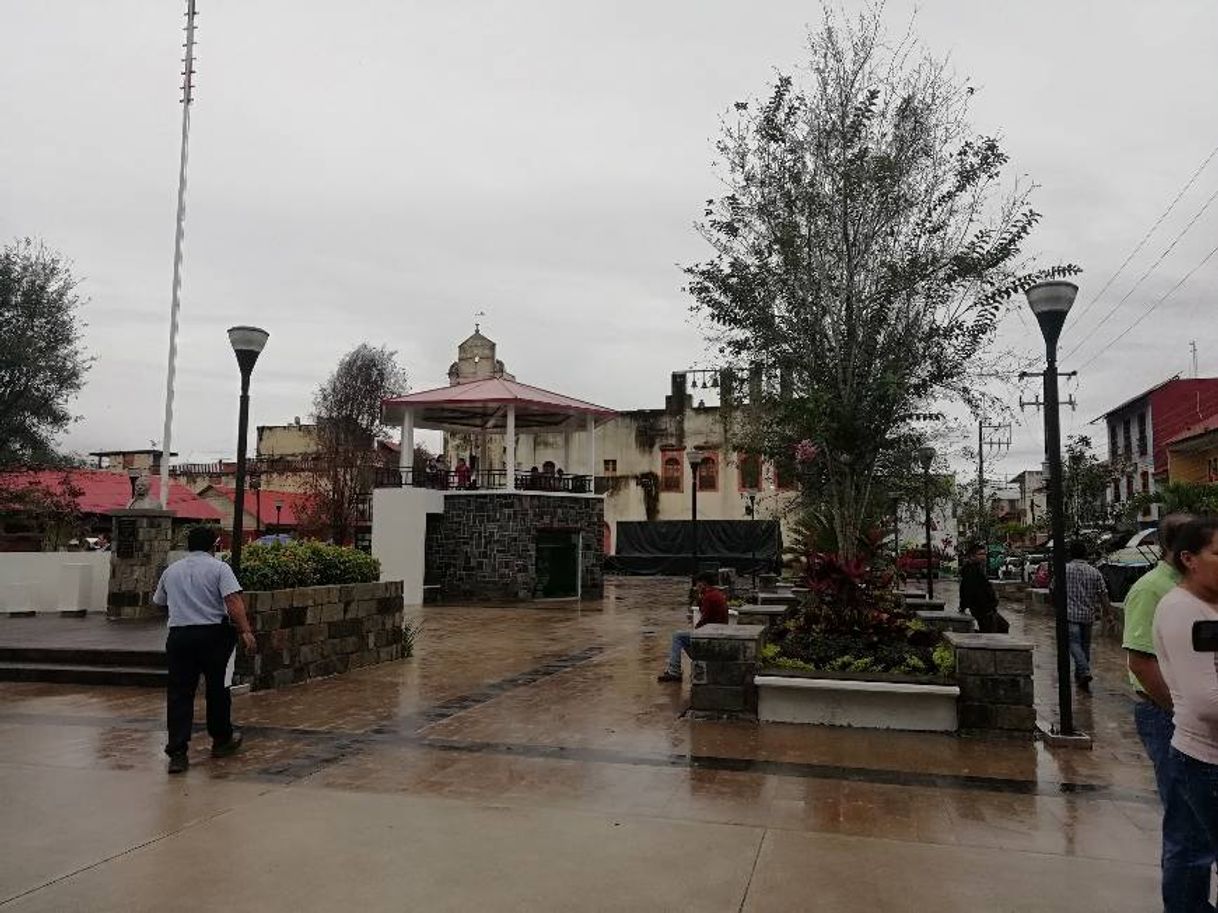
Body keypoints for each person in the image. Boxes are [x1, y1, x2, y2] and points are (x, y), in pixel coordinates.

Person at [1123, 513, 1214, 911]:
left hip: (1188, 721)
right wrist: (1180, 712)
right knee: (1185, 829)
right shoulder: (1156, 592)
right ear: (1183, 554)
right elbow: (1140, 662)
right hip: (1167, 715)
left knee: (1194, 830)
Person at [1153, 515, 1218, 911]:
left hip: (1196, 751)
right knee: (1189, 855)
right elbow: (1204, 699)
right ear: (1188, 558)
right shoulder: (1181, 609)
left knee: (1191, 852)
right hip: (1202, 755)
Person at [152, 526, 256, 774]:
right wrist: (245, 631)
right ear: (214, 545)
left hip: (179, 636)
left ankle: (177, 752)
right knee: (218, 689)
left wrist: (182, 609)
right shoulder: (220, 568)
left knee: (179, 693)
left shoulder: (172, 571)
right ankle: (221, 739)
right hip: (213, 635)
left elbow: (158, 603)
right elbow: (232, 601)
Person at [657, 572, 729, 682]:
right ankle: (681, 667)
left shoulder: (709, 597)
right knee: (684, 638)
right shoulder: (716, 594)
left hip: (711, 634)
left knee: (678, 636)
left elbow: (705, 619)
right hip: (717, 632)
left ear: (703, 584)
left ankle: (674, 672)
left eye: (697, 584)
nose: (696, 588)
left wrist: (696, 631)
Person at [1063, 539, 1110, 692]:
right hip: (1088, 615)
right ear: (1085, 554)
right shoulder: (1094, 572)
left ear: (1071, 553)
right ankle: (1081, 676)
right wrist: (1107, 613)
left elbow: (1053, 587)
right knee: (1085, 646)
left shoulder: (1064, 569)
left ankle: (1083, 670)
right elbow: (1103, 594)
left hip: (1070, 614)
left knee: (1073, 644)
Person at [958, 542, 1000, 633]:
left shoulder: (979, 570)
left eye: (984, 554)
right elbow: (967, 591)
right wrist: (964, 606)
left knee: (1001, 626)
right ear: (972, 556)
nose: (983, 557)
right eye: (980, 554)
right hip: (982, 611)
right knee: (992, 633)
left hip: (987, 610)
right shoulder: (971, 571)